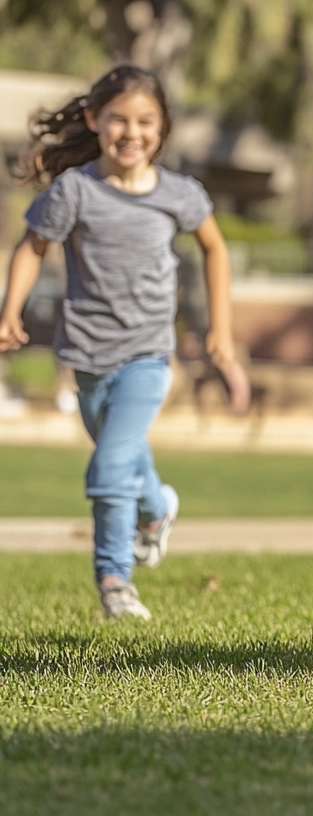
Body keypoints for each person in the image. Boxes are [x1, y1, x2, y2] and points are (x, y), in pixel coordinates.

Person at [0, 66, 249, 620]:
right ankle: (156, 511)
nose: (131, 133)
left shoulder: (179, 195)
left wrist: (221, 332)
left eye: (145, 121)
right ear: (93, 119)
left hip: (147, 357)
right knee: (124, 459)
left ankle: (115, 581)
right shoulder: (75, 191)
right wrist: (10, 311)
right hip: (86, 358)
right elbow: (32, 246)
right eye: (118, 119)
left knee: (110, 468)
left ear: (162, 129)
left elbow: (215, 250)